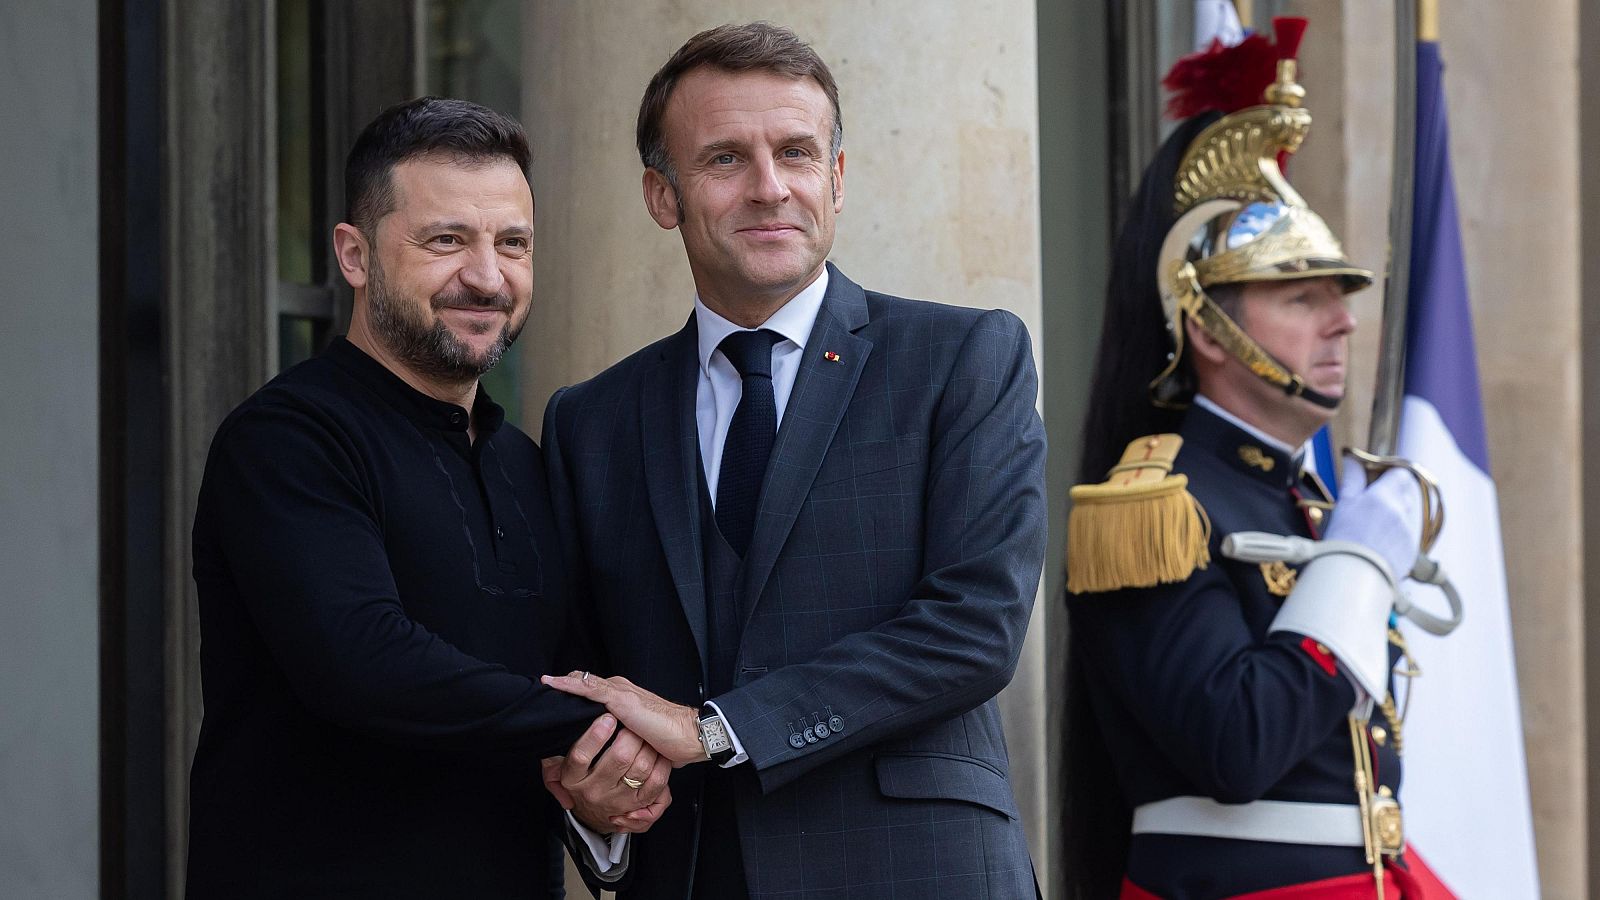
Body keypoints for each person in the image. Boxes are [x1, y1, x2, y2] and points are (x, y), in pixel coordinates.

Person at [535, 22, 1048, 900]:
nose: (769, 188)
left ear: (837, 177)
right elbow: (588, 678)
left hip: (918, 873)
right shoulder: (591, 422)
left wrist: (720, 729)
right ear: (662, 195)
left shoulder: (965, 358)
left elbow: (976, 627)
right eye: (725, 159)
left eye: (797, 153)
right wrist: (596, 797)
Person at [185, 97, 667, 899]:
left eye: (512, 243)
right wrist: (618, 726)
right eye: (446, 240)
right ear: (355, 254)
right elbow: (363, 661)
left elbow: (566, 687)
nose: (487, 277)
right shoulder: (287, 439)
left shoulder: (524, 465)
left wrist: (606, 778)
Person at [1063, 20, 1455, 900]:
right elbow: (1236, 743)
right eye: (1301, 297)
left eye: (1338, 295)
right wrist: (1355, 567)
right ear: (1207, 328)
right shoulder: (1156, 507)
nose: (1342, 321)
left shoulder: (1303, 496)